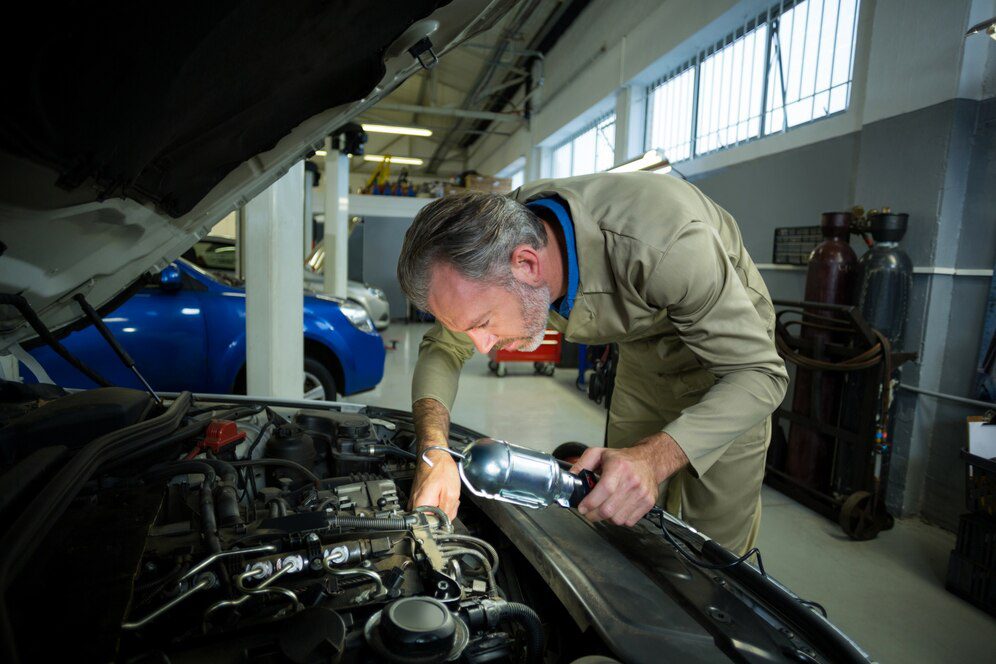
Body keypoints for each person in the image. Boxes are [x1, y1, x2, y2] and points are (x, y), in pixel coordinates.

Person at [396, 172, 787, 554]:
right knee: (621, 506)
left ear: (528, 265)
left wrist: (654, 458)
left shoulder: (666, 243)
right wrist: (435, 452)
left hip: (731, 365)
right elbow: (444, 348)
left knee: (714, 545)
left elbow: (760, 375)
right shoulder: (485, 237)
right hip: (642, 348)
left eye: (482, 323)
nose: (480, 346)